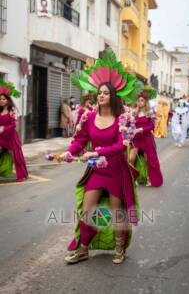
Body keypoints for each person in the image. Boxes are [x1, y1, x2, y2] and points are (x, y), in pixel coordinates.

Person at [61, 48, 141, 264]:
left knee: (117, 213)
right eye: (99, 93)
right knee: (87, 211)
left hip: (116, 171)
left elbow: (119, 146)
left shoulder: (122, 119)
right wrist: (70, 151)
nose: (101, 95)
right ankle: (84, 249)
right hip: (97, 171)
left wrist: (97, 151)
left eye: (105, 92)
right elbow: (79, 140)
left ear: (112, 96)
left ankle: (119, 248)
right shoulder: (89, 117)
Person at [128, 91, 163, 187]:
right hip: (136, 139)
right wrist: (129, 129)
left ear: (146, 102)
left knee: (149, 160)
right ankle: (132, 178)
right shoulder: (134, 113)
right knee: (131, 158)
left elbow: (152, 126)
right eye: (138, 100)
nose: (140, 102)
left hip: (146, 139)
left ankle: (149, 179)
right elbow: (131, 125)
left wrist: (141, 129)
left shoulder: (150, 112)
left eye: (142, 100)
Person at [0, 82, 28, 182]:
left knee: (15, 156)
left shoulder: (12, 110)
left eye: (3, 99)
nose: (1, 101)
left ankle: (21, 174)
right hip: (1, 136)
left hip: (11, 136)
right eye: (0, 99)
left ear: (8, 100)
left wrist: (3, 129)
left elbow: (13, 124)